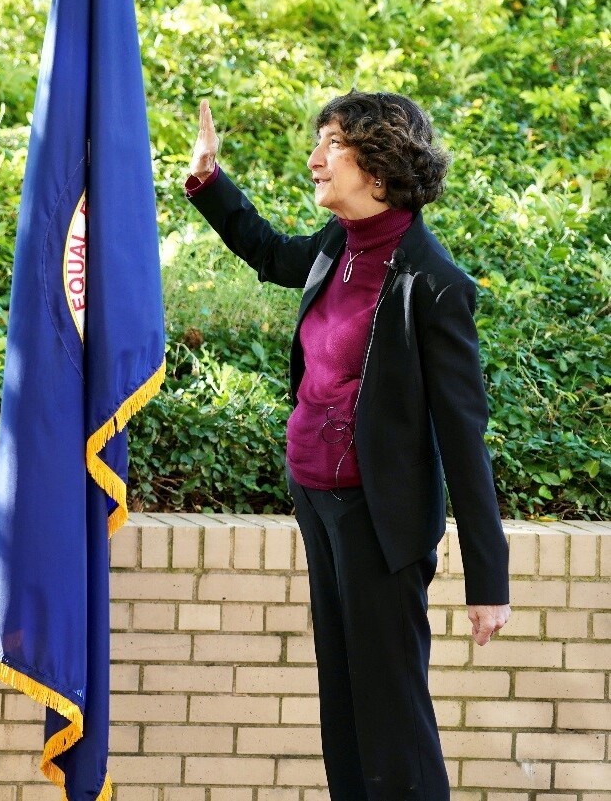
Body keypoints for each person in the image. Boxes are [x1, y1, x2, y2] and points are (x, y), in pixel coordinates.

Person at [182, 92, 510, 800]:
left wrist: (488, 580)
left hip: (377, 519)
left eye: (331, 143)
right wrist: (210, 182)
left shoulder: (433, 283)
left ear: (381, 165)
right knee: (343, 706)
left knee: (390, 712)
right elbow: (269, 252)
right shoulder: (335, 246)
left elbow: (463, 436)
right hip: (316, 501)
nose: (314, 158)